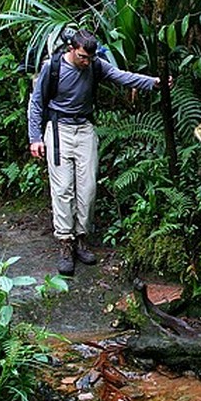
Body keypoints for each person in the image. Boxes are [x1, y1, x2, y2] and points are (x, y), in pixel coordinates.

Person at [28, 29, 162, 276]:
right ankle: (65, 242)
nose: (86, 62)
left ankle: (81, 237)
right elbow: (36, 103)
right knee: (63, 189)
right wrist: (35, 138)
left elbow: (122, 77)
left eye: (89, 57)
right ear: (71, 49)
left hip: (85, 128)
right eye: (82, 57)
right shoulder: (53, 67)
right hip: (58, 130)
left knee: (88, 188)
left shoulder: (95, 65)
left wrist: (153, 83)